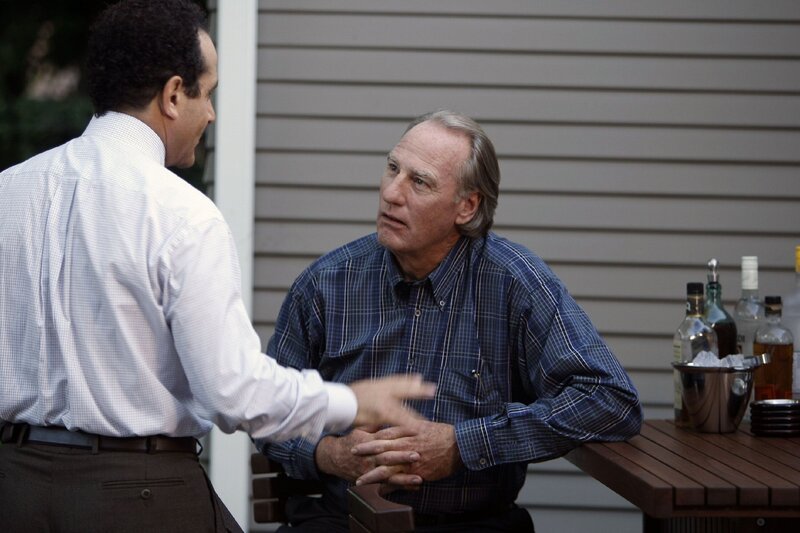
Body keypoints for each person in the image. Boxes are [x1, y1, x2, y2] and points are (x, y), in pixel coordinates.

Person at [0, 2, 434, 532]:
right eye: (208, 94)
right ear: (173, 94)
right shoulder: (181, 213)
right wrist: (350, 401)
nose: (210, 115)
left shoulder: (9, 190)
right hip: (137, 495)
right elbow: (234, 393)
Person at [258, 110, 644, 532]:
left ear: (467, 206)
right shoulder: (326, 284)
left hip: (471, 523)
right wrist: (328, 454)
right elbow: (265, 407)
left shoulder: (514, 282)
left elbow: (609, 399)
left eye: (418, 182)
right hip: (342, 520)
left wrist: (464, 445)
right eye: (392, 169)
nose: (391, 192)